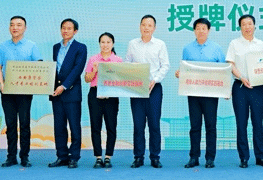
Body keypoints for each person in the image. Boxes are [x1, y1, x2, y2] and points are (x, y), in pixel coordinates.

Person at [177, 18, 226, 169]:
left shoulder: (216, 48)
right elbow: (185, 68)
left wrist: (225, 89)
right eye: (198, 28)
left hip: (211, 94)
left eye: (204, 28)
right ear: (194, 30)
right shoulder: (187, 49)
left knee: (211, 126)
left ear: (208, 30)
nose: (201, 31)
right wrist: (180, 73)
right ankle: (194, 157)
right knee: (195, 126)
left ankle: (210, 158)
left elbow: (223, 71)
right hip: (193, 93)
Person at [0, 15, 42, 168]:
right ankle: (11, 156)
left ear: (25, 28)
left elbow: (39, 67)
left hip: (25, 92)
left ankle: (25, 157)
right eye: (12, 24)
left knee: (25, 124)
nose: (15, 27)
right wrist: (1, 84)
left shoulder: (31, 46)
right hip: (7, 91)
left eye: (19, 25)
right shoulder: (3, 47)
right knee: (10, 124)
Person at [125, 14, 169, 168]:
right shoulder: (132, 44)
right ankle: (138, 157)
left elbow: (165, 65)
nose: (146, 28)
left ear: (154, 28)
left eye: (149, 25)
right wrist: (132, 70)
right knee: (138, 125)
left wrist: (155, 80)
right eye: (144, 25)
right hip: (136, 88)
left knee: (154, 124)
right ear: (140, 26)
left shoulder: (160, 44)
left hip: (154, 88)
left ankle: (155, 157)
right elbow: (127, 62)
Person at [226, 14, 263, 168]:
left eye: (250, 24)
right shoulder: (234, 43)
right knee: (241, 123)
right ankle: (243, 157)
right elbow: (230, 64)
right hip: (240, 87)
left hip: (257, 87)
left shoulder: (261, 44)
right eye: (244, 24)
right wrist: (241, 77)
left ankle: (260, 157)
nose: (247, 27)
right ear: (240, 27)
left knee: (258, 122)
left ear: (254, 26)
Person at [49, 18, 87, 169]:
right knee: (59, 127)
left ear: (75, 31)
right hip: (56, 93)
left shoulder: (80, 47)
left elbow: (77, 69)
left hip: (71, 92)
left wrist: (64, 86)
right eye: (63, 28)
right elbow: (54, 69)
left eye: (69, 28)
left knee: (74, 126)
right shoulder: (56, 47)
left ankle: (74, 157)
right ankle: (62, 156)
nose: (65, 31)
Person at [85, 32, 122, 169]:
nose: (105, 45)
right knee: (96, 126)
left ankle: (108, 156)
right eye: (103, 42)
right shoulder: (93, 59)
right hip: (95, 94)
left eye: (108, 42)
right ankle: (98, 157)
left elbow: (122, 80)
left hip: (111, 95)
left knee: (111, 126)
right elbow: (87, 79)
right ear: (99, 44)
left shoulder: (118, 60)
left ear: (112, 44)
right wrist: (94, 70)